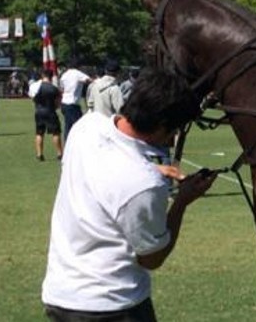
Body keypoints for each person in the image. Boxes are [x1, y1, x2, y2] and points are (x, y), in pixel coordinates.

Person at [41, 68, 216, 321]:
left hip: (61, 296)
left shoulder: (86, 127)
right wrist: (182, 201)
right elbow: (152, 258)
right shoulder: (145, 185)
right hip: (112, 306)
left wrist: (153, 168)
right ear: (162, 126)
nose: (173, 137)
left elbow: (107, 166)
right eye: (175, 130)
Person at [29, 69, 63, 161]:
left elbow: (32, 98)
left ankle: (39, 154)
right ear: (51, 77)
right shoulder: (54, 88)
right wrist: (55, 107)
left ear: (42, 75)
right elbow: (58, 103)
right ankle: (59, 153)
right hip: (50, 111)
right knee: (56, 133)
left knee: (39, 133)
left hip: (39, 111)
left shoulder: (36, 87)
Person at [58, 61, 92, 142]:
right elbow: (89, 80)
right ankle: (78, 142)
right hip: (72, 104)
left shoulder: (64, 75)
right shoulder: (77, 73)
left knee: (68, 125)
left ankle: (67, 142)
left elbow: (62, 89)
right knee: (79, 125)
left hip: (64, 103)